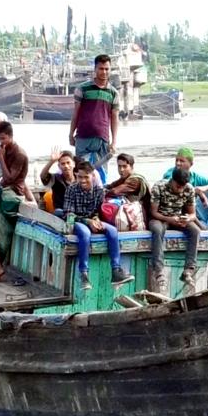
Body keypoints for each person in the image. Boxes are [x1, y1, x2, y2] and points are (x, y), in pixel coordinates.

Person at [63, 161, 134, 290]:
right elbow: (69, 214)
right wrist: (88, 221)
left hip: (92, 219)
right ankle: (84, 274)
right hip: (77, 221)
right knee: (85, 234)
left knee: (112, 231)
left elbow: (98, 210)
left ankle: (116, 271)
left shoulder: (99, 191)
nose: (83, 180)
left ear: (93, 176)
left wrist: (95, 219)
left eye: (86, 177)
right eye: (80, 177)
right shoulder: (71, 189)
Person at [0, 121, 30, 283]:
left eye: (3, 139)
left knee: (1, 235)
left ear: (10, 136)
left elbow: (9, 178)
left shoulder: (20, 154)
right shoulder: (4, 148)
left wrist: (0, 158)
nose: (0, 142)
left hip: (13, 195)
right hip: (2, 192)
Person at [149, 168, 201, 293]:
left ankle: (188, 270)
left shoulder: (189, 189)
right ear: (172, 180)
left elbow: (193, 214)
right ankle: (159, 271)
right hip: (160, 218)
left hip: (179, 219)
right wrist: (169, 219)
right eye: (178, 186)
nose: (180, 190)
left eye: (182, 187)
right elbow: (153, 212)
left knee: (196, 231)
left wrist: (188, 219)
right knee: (156, 229)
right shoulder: (159, 187)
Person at [69, 54, 119, 183]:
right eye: (101, 68)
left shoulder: (113, 93)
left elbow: (114, 118)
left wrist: (114, 141)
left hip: (102, 138)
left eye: (107, 69)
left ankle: (100, 200)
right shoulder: (83, 88)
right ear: (95, 69)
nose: (104, 72)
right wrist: (71, 133)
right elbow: (76, 113)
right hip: (83, 137)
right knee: (81, 172)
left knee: (101, 173)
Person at [162, 148, 208, 230]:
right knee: (185, 197)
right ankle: (199, 225)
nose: (178, 163)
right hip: (175, 208)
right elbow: (175, 188)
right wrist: (197, 192)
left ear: (191, 164)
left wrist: (204, 188)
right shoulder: (171, 173)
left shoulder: (194, 176)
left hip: (192, 207)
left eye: (182, 161)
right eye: (176, 160)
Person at [39, 148, 76, 213]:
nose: (66, 166)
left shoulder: (80, 179)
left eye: (68, 163)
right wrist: (51, 161)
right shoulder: (56, 179)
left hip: (78, 214)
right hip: (62, 214)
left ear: (73, 164)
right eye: (63, 164)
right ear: (59, 166)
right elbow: (43, 176)